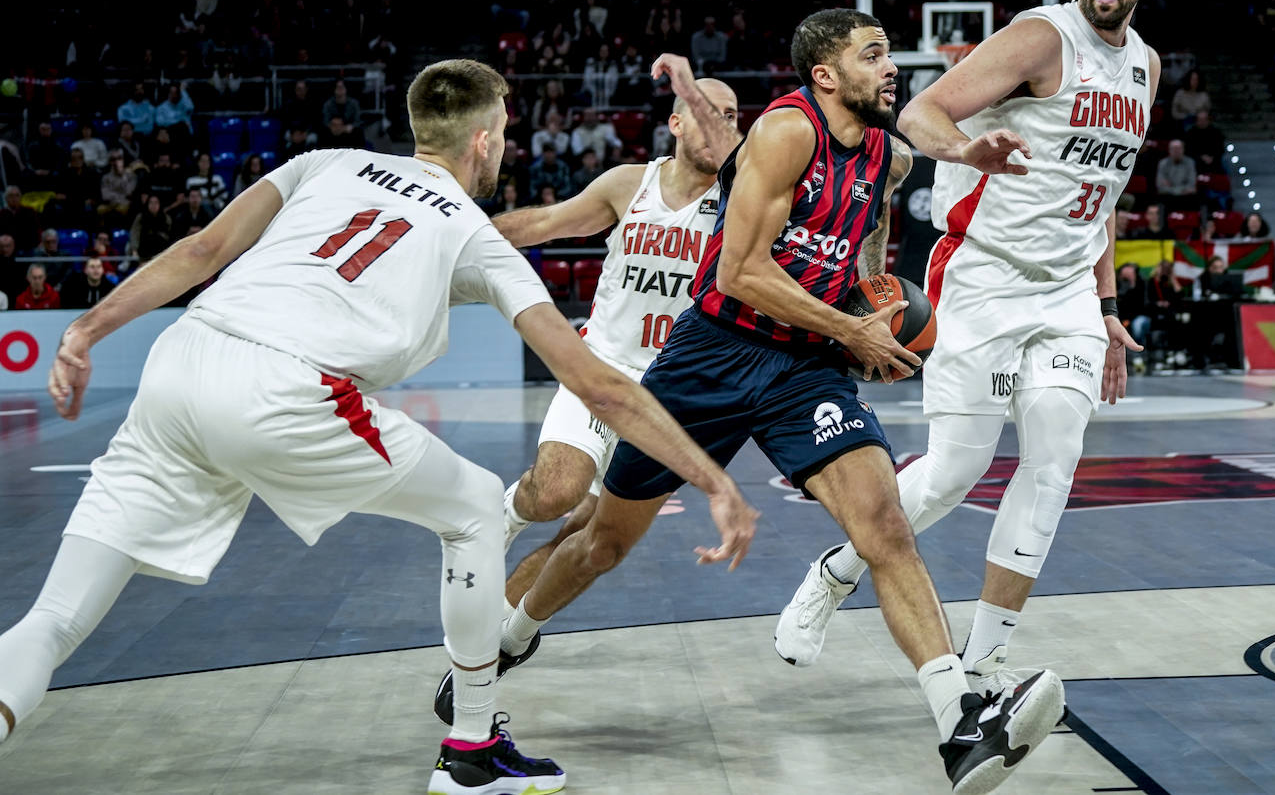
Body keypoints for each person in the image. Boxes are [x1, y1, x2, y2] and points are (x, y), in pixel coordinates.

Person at [0, 59, 755, 795]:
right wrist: (713, 479)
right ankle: (472, 751)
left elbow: (202, 252)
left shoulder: (324, 161)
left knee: (58, 617)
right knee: (471, 509)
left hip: (183, 363)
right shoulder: (474, 229)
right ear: (486, 141)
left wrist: (86, 330)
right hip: (291, 388)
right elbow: (594, 382)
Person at [496, 10, 1065, 793]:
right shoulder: (782, 135)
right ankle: (507, 638)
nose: (890, 67)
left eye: (889, 54)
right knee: (602, 543)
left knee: (885, 527)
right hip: (711, 359)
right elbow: (739, 273)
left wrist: (876, 304)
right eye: (872, 57)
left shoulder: (885, 160)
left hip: (805, 367)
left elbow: (877, 225)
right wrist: (854, 333)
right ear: (825, 75)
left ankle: (959, 723)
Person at [775, 0, 1158, 712]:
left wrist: (1108, 303)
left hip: (1066, 298)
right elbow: (919, 114)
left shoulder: (1145, 69)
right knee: (955, 472)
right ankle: (834, 573)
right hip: (984, 276)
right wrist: (967, 149)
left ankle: (985, 665)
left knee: (1053, 462)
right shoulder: (1039, 39)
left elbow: (1102, 196)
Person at [496, 60, 738, 612]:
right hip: (601, 370)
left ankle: (494, 627)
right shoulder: (630, 183)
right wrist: (454, 233)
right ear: (676, 124)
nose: (721, 126)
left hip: (671, 395)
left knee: (583, 534)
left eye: (731, 118)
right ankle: (500, 518)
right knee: (554, 494)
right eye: (707, 114)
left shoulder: (743, 202)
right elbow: (541, 224)